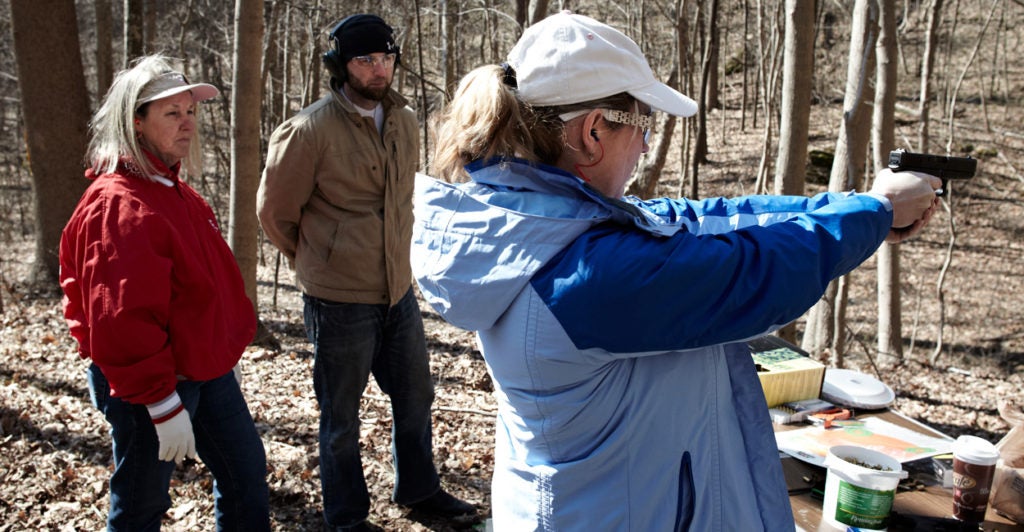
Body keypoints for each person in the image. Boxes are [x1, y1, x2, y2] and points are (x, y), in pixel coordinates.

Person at [411, 11, 942, 531]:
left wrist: (857, 207)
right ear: (593, 132)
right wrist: (874, 213)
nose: (646, 144)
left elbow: (706, 220)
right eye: (643, 124)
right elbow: (753, 269)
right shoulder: (591, 272)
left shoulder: (539, 226)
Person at [257, 14, 475, 530]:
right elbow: (274, 214)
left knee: (416, 397)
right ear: (340, 65)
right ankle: (347, 517)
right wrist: (320, 260)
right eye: (365, 60)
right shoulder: (308, 131)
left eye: (386, 59)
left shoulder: (403, 120)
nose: (379, 70)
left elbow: (402, 201)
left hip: (397, 291)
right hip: (338, 301)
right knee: (341, 418)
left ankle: (420, 490)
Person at [58, 55, 269, 530]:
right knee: (141, 506)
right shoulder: (119, 204)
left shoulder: (173, 189)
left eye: (190, 111)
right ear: (136, 121)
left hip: (203, 369)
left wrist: (221, 347)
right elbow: (120, 320)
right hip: (150, 382)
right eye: (172, 113)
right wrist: (160, 401)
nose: (187, 123)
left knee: (245, 475)